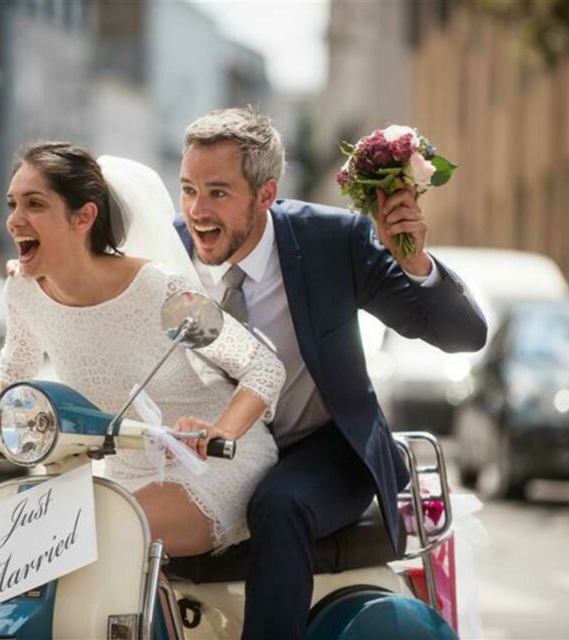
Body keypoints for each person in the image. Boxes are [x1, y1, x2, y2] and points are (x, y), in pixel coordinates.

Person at [174, 107, 487, 639]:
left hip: (323, 450)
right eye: (187, 189)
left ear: (266, 194)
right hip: (212, 449)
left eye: (218, 193)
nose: (197, 211)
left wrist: (414, 261)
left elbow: (463, 336)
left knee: (280, 503)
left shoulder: (331, 241)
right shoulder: (171, 246)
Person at [0, 142, 285, 557]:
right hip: (120, 474)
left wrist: (221, 432)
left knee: (81, 540)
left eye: (34, 204)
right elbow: (13, 366)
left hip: (212, 465)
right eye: (12, 204)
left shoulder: (157, 289)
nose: (15, 220)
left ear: (83, 217)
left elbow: (262, 368)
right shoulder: (23, 291)